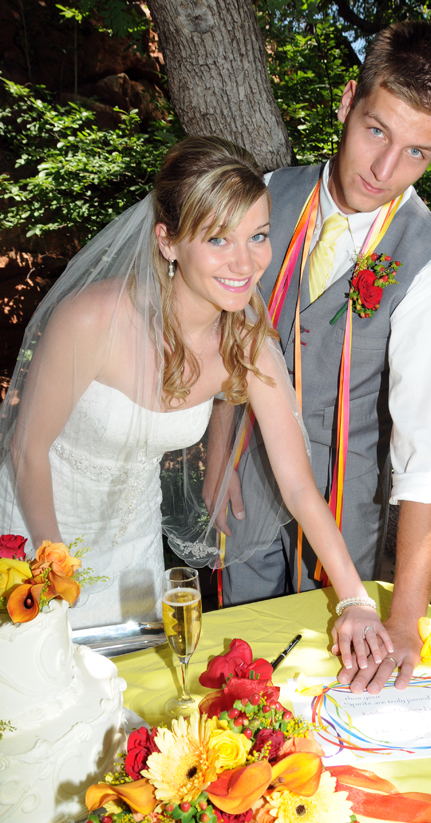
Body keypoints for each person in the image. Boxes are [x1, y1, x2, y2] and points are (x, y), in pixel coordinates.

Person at [0, 136, 392, 666]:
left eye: (258, 236)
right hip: (37, 524)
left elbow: (299, 486)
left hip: (131, 545)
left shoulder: (247, 338)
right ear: (168, 241)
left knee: (131, 686)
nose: (245, 262)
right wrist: (51, 570)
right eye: (217, 239)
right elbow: (28, 449)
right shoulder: (94, 320)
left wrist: (355, 598)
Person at [220, 21, 431, 694]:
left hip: (339, 513)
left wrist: (405, 619)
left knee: (315, 686)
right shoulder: (266, 196)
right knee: (231, 673)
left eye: (419, 153)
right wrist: (216, 463)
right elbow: (222, 339)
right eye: (376, 131)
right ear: (346, 102)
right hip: (241, 489)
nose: (385, 170)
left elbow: (429, 455)